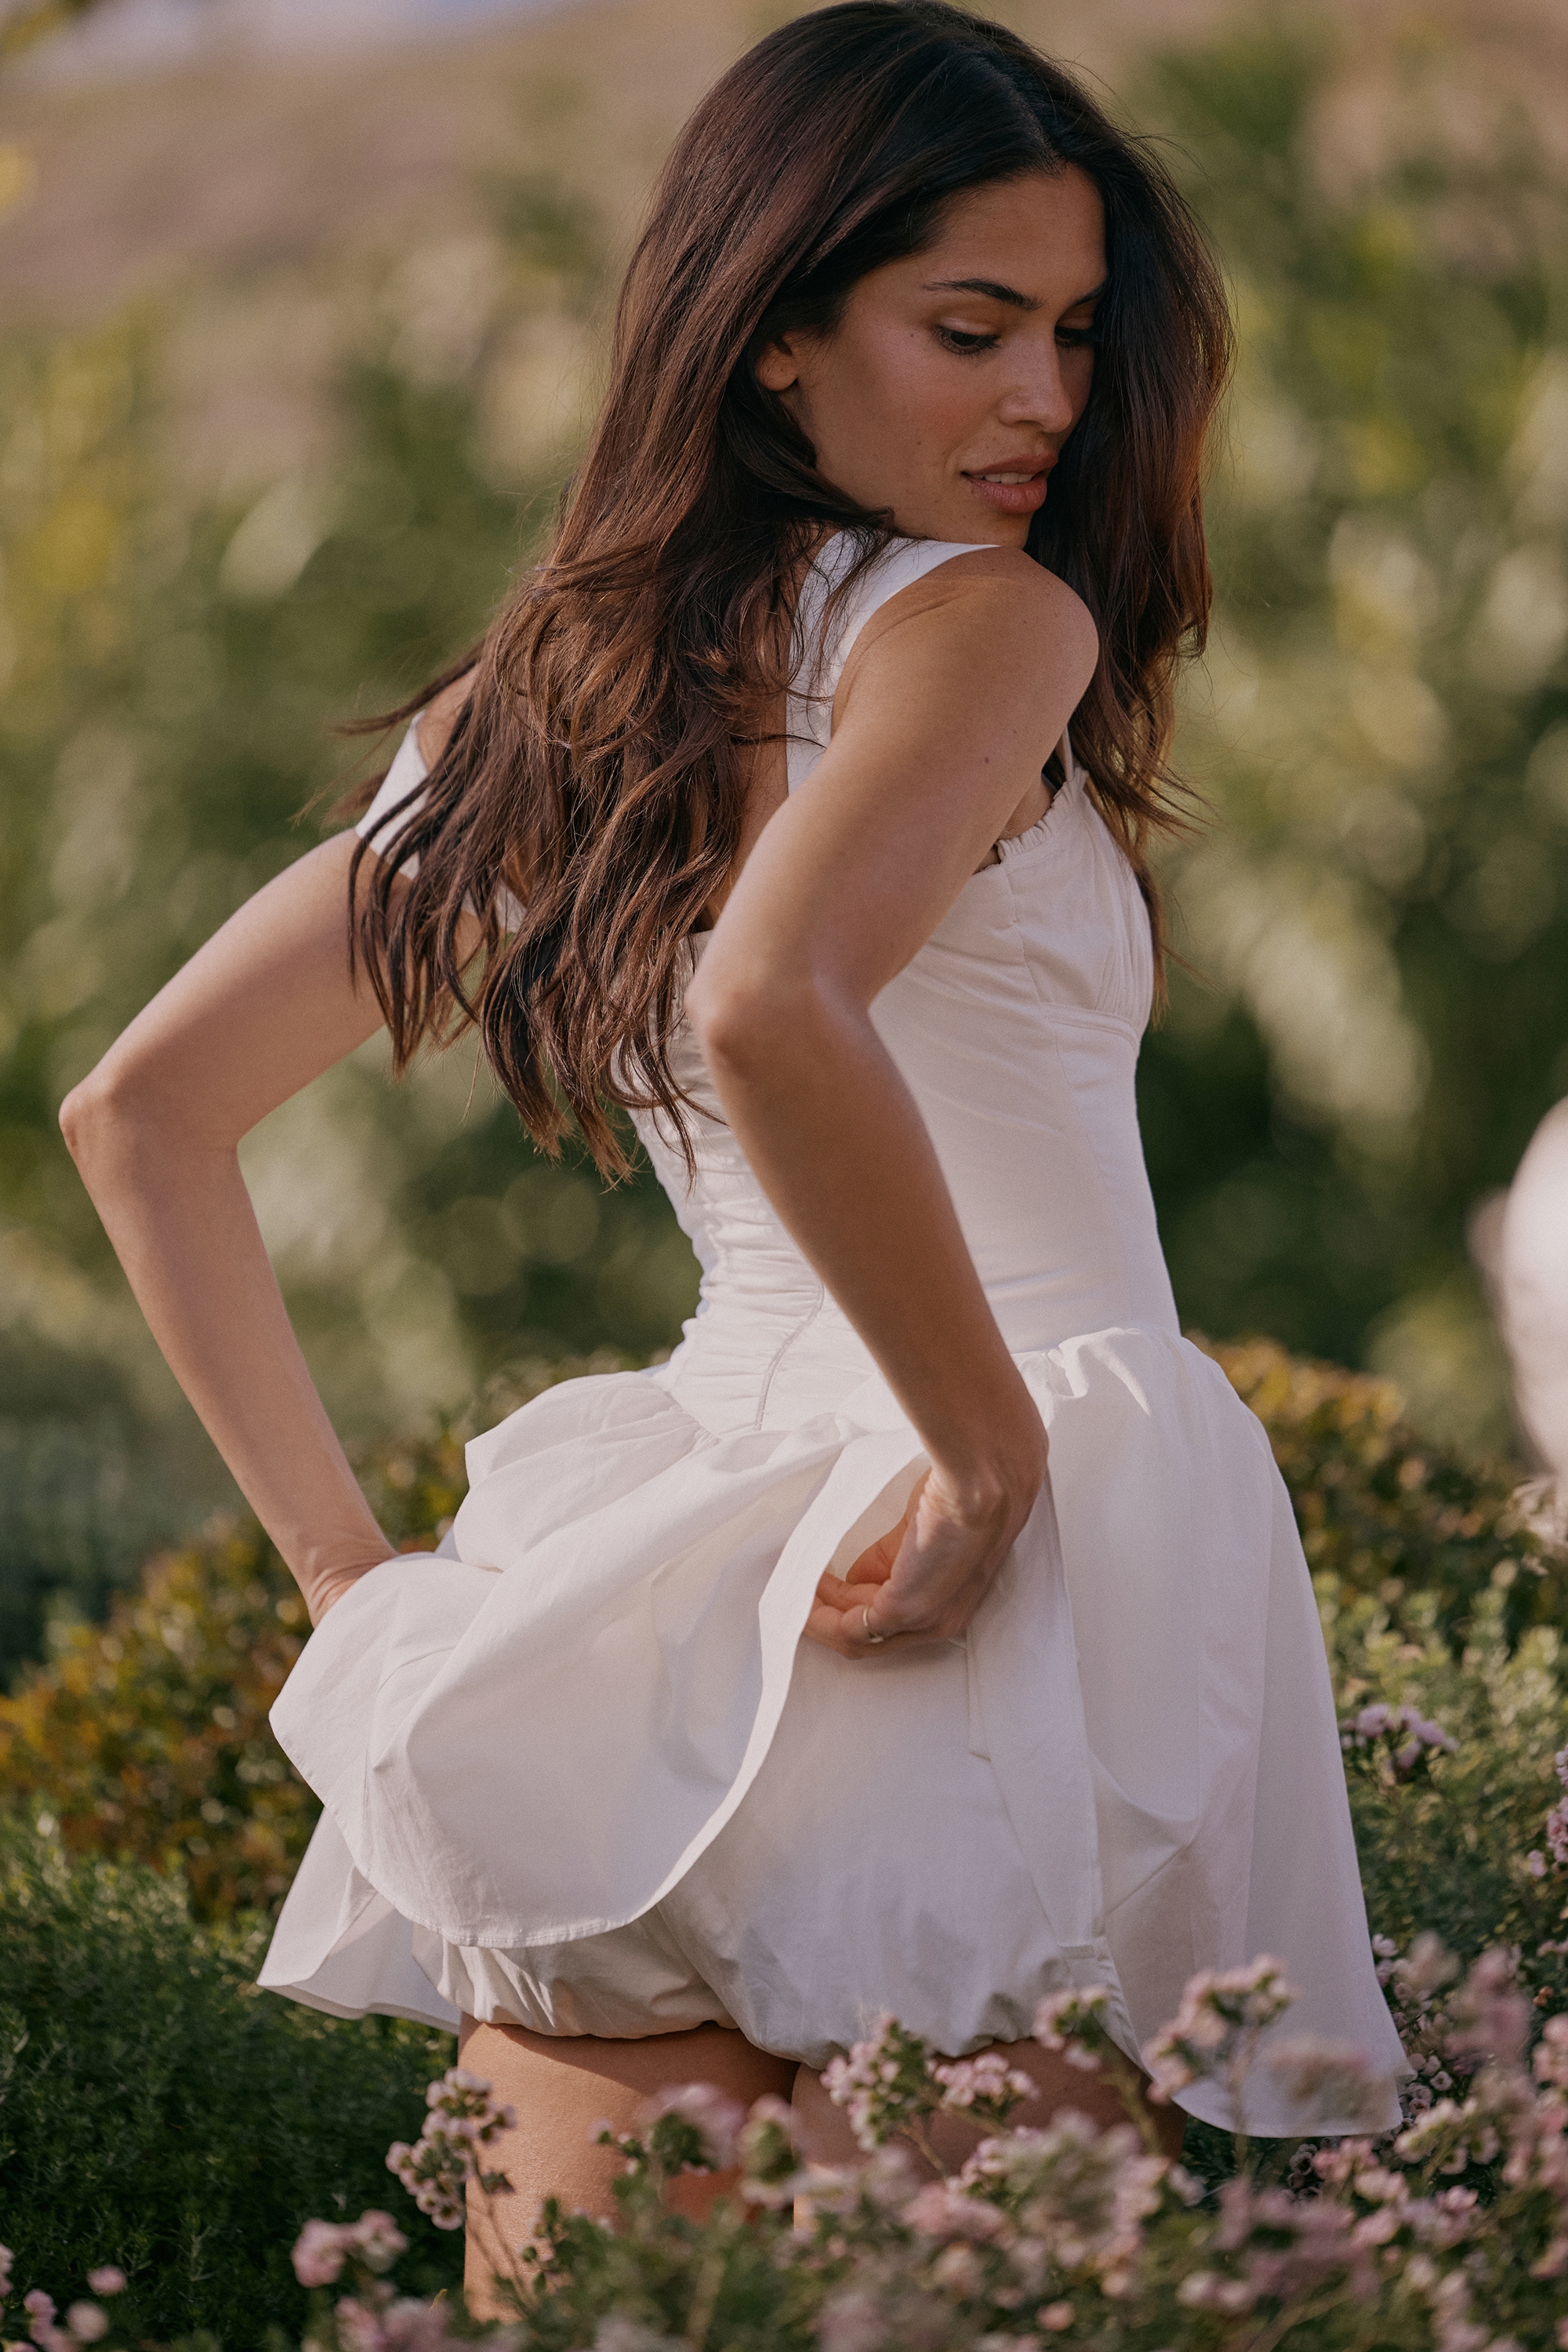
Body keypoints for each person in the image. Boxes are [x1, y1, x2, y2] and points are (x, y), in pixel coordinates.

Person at [61, 0, 1406, 2289]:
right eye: (969, 328)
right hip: (978, 1584)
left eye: (1079, 333)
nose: (1046, 398)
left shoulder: (564, 698)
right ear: (774, 331)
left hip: (663, 1604)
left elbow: (142, 1113)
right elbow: (772, 1003)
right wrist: (987, 1457)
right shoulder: (985, 623)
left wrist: (348, 1584)